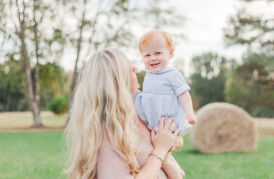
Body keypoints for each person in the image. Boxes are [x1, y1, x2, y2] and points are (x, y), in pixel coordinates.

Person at [65, 48, 184, 179]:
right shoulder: (107, 133)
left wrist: (167, 147)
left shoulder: (140, 112)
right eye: (130, 69)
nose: (136, 69)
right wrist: (160, 150)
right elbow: (160, 152)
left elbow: (177, 172)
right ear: (117, 81)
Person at [135, 29, 197, 135]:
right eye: (147, 55)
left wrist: (189, 111)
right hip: (152, 124)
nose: (153, 58)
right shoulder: (148, 75)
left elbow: (183, 94)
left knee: (166, 147)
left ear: (170, 53)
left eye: (158, 53)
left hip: (169, 123)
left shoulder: (172, 74)